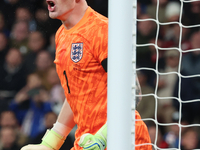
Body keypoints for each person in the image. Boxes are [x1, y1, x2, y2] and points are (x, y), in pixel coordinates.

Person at [21, 0, 152, 150]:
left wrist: (104, 135)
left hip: (124, 139)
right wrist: (51, 143)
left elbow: (133, 92)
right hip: (87, 141)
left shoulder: (102, 29)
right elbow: (75, 95)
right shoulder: (61, 35)